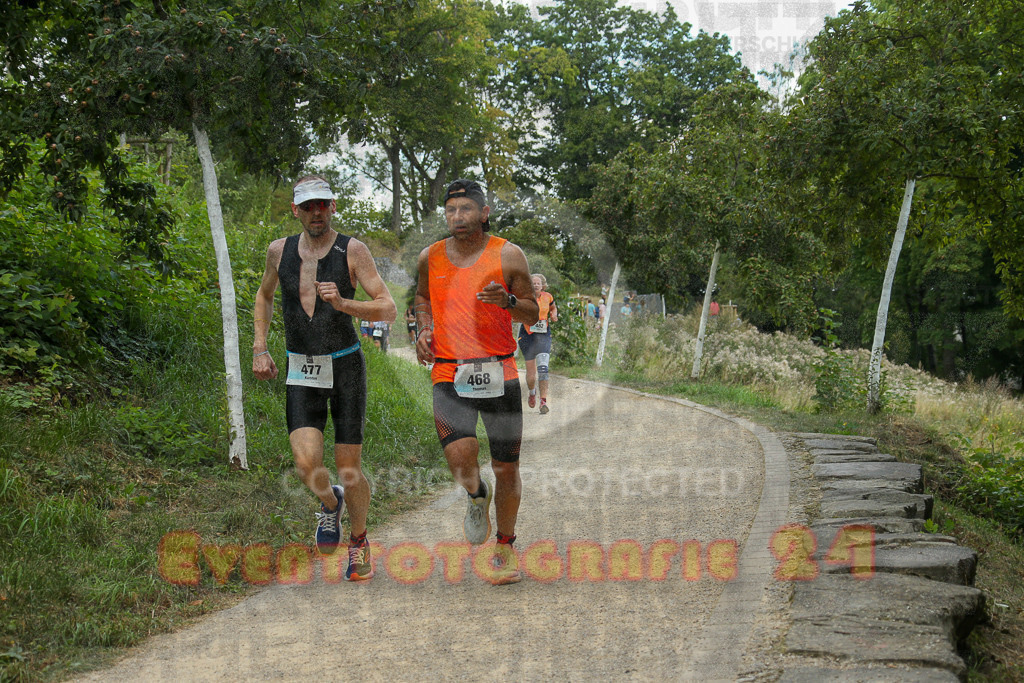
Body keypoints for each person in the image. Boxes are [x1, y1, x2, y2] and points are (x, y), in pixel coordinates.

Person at [252, 175, 397, 581]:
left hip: (346, 366)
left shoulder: (353, 250)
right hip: (301, 366)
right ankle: (330, 504)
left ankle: (359, 541)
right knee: (305, 462)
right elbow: (264, 295)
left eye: (322, 205)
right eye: (307, 206)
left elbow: (386, 308)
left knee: (348, 467)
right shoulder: (278, 251)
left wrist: (343, 302)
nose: (316, 212)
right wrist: (259, 347)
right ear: (295, 210)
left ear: (332, 206)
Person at [414, 179, 539, 585]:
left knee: (506, 466)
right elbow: (421, 298)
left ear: (484, 213)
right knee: (460, 460)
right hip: (449, 371)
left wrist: (508, 302)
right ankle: (474, 496)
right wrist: (423, 329)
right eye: (451, 211)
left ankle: (504, 546)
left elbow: (532, 314)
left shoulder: (507, 255)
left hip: (499, 371)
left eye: (466, 209)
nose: (458, 217)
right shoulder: (429, 257)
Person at [518, 273, 558, 414]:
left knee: (543, 368)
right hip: (527, 335)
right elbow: (516, 313)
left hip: (543, 334)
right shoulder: (524, 297)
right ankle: (532, 392)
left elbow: (553, 308)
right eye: (533, 283)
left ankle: (543, 402)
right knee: (531, 373)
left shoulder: (548, 297)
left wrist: (554, 314)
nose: (535, 285)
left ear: (543, 286)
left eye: (538, 283)